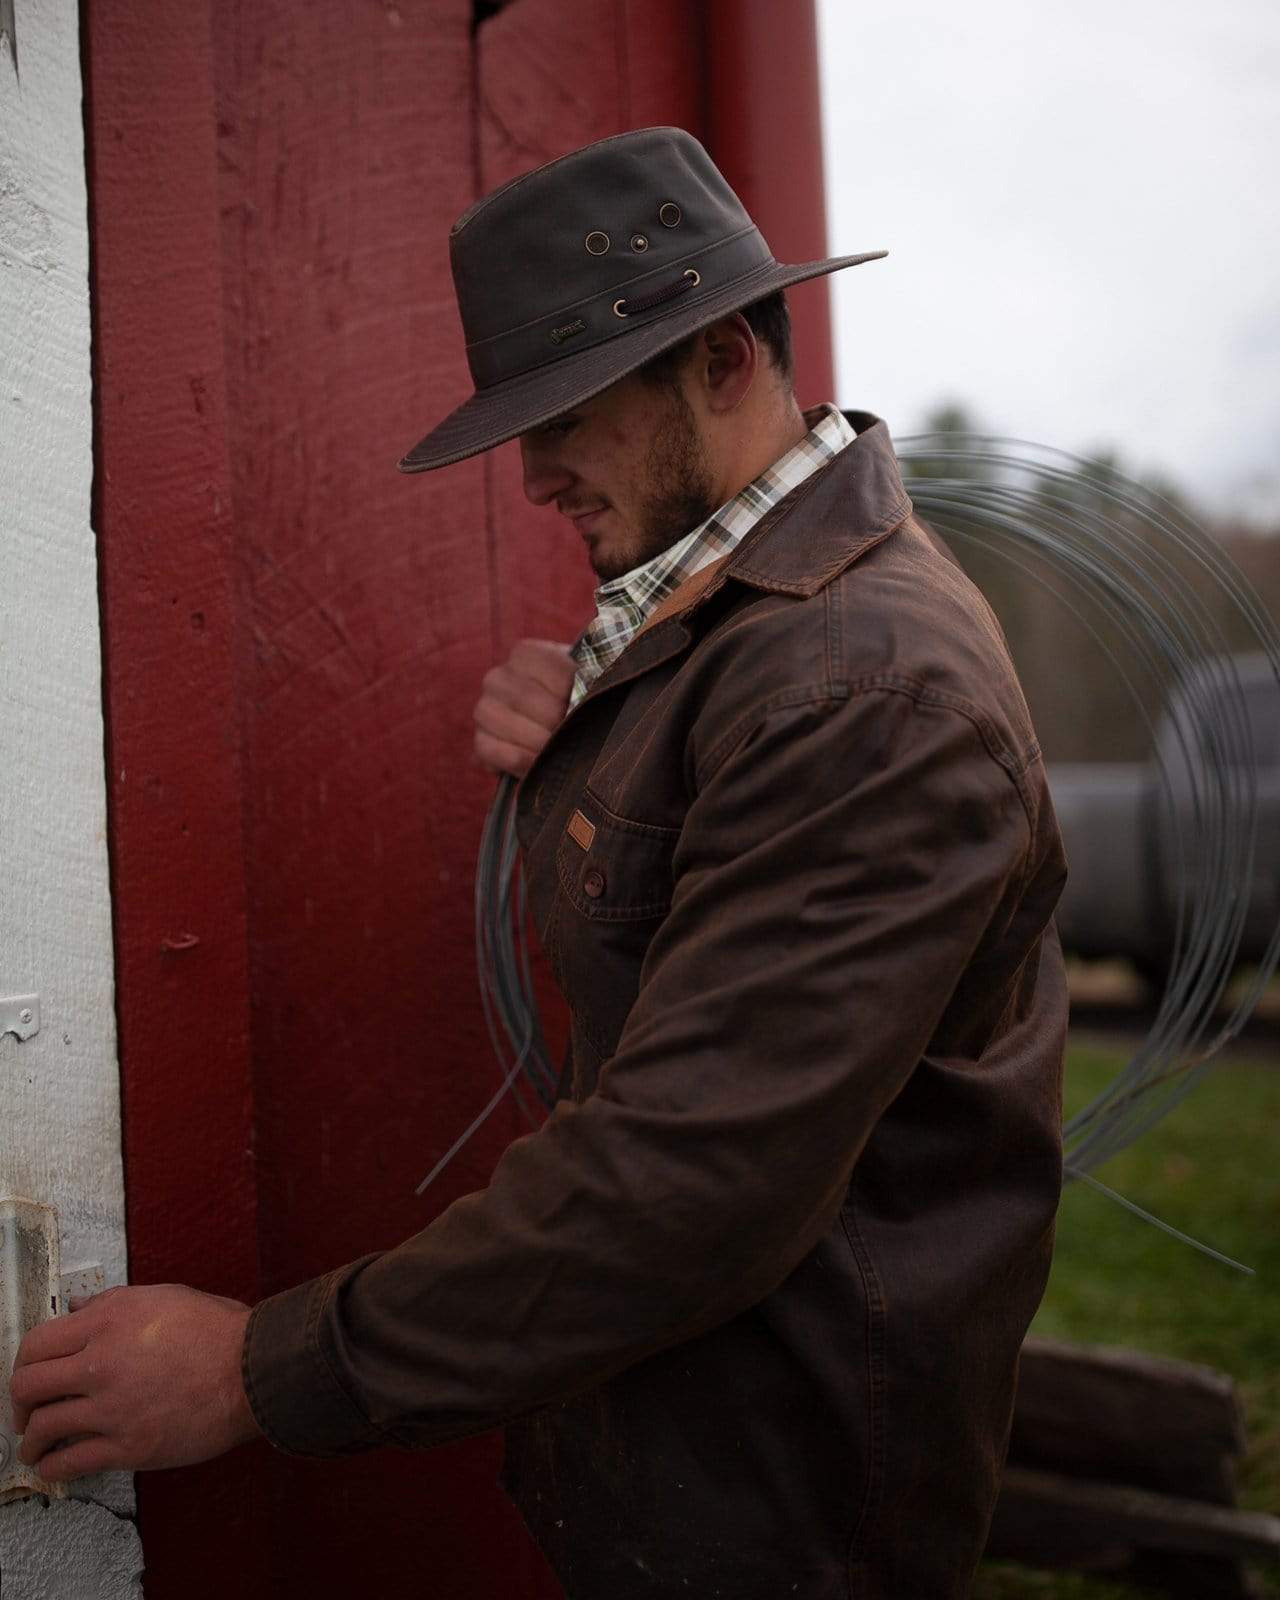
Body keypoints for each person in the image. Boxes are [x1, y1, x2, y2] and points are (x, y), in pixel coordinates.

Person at [10, 127, 1067, 1598]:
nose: (535, 475)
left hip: (787, 1508)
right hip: (687, 1453)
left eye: (569, 410)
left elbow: (690, 1184)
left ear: (722, 363)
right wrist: (592, 719)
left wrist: (255, 1371)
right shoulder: (742, 631)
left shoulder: (863, 689)